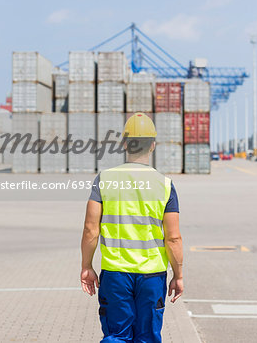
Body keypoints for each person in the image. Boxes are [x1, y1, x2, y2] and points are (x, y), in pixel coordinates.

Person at [80, 112, 183, 343]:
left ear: (125, 143)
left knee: (116, 336)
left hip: (115, 274)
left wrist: (87, 266)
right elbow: (173, 238)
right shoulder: (165, 185)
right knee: (147, 337)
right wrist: (178, 274)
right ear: (153, 145)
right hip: (152, 276)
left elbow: (90, 229)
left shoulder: (104, 179)